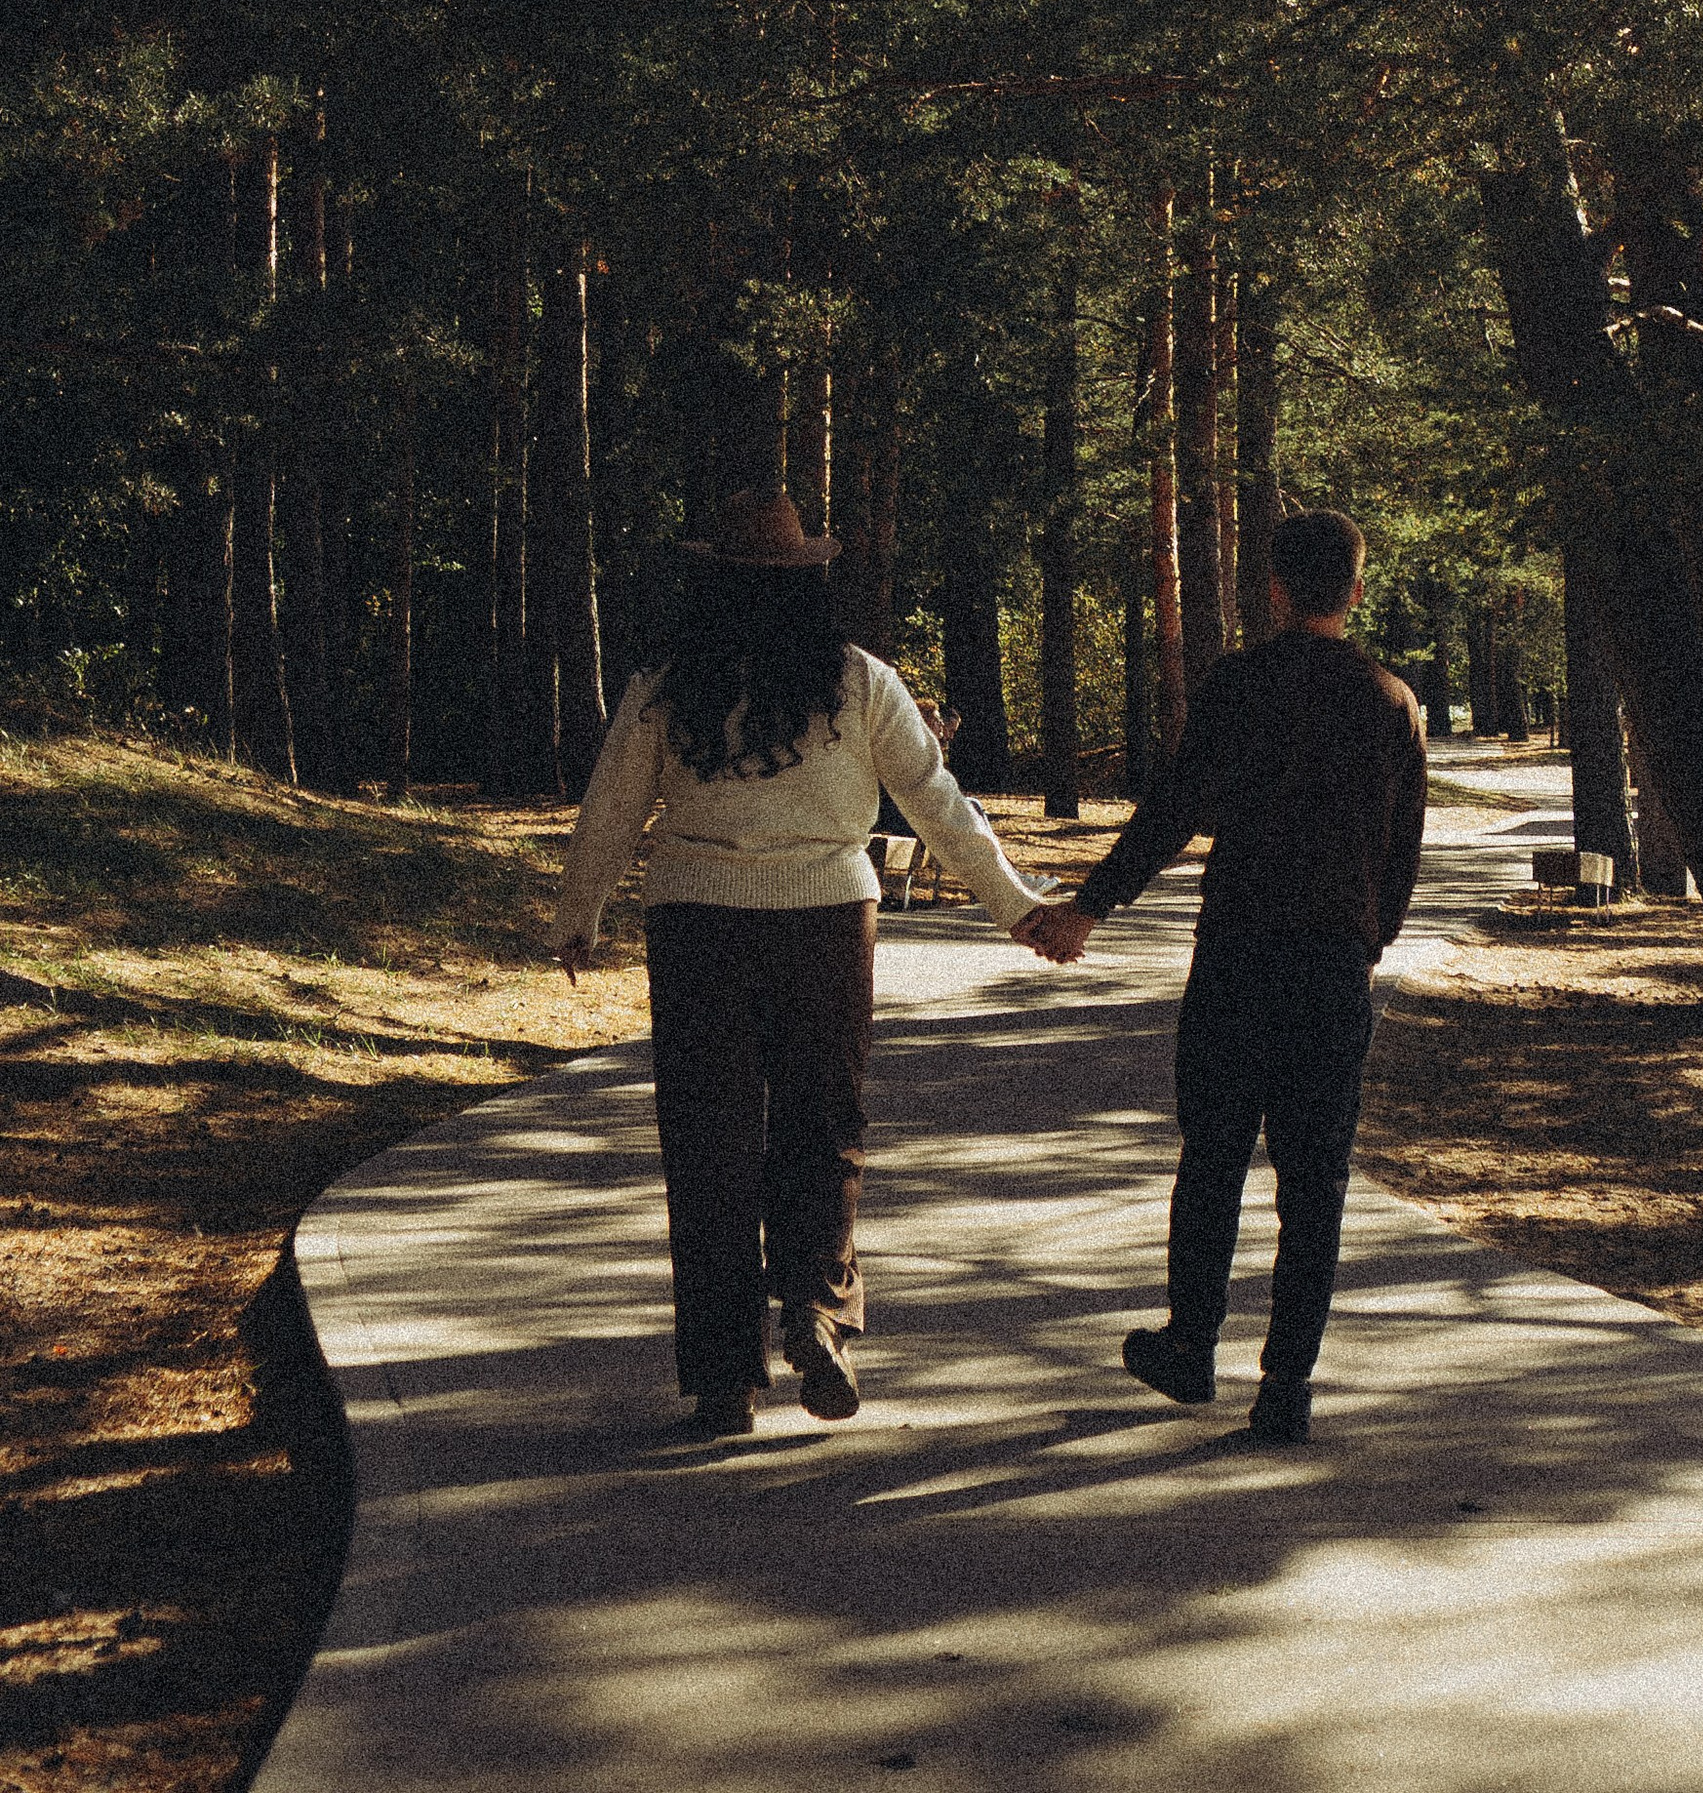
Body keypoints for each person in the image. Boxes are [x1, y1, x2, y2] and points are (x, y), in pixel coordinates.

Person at [553, 489, 1045, 1439]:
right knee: (824, 1125)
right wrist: (1016, 907)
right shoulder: (859, 682)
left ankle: (724, 1377)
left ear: (712, 585)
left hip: (697, 927)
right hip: (827, 922)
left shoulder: (667, 686)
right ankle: (818, 1314)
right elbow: (939, 805)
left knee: (709, 1145)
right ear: (810, 582)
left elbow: (611, 805)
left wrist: (581, 912)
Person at [1018, 504, 1427, 1446]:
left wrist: (1091, 905)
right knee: (1314, 1180)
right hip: (1332, 969)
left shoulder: (1240, 685)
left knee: (1212, 1157)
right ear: (1355, 592)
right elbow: (1402, 855)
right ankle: (1286, 1385)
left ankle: (1192, 1347)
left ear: (1275, 591)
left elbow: (1172, 811)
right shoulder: (1391, 701)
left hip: (1239, 957)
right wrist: (1368, 942)